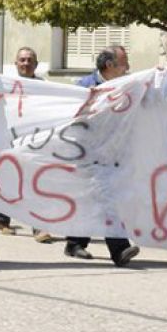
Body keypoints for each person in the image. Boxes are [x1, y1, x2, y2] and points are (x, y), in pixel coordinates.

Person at [65, 45, 140, 267]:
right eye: (124, 62)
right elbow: (70, 116)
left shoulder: (126, 86)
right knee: (107, 198)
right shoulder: (84, 87)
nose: (128, 67)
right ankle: (120, 249)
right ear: (110, 65)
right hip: (88, 154)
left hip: (113, 153)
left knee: (96, 199)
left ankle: (75, 242)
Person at [0, 47, 54, 243]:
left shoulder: (44, 87)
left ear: (36, 64)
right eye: (22, 60)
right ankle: (3, 219)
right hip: (10, 140)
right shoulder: (5, 85)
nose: (26, 63)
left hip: (34, 141)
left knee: (35, 182)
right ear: (16, 64)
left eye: (30, 60)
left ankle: (39, 228)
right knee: (10, 181)